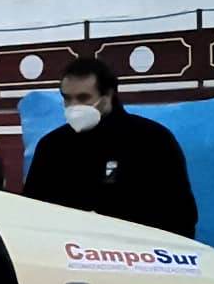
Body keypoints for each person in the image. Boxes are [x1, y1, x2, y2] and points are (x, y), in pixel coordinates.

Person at [24, 57, 198, 237]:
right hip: (66, 247)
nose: (74, 106)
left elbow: (180, 216)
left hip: (134, 248)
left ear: (108, 95)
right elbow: (32, 212)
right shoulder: (52, 146)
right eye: (67, 98)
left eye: (83, 98)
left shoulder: (153, 140)